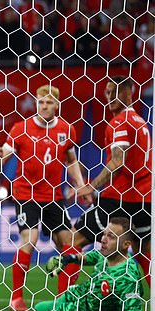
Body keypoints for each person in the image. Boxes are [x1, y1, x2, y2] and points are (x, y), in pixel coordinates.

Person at [0, 85, 90, 311]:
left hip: (53, 196)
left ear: (57, 105)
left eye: (49, 103)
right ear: (36, 103)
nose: (44, 106)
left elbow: (70, 160)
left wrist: (81, 185)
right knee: (30, 238)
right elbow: (1, 160)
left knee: (70, 244)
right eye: (41, 102)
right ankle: (16, 299)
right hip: (26, 194)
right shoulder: (20, 128)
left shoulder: (67, 129)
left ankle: (64, 299)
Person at [68, 76, 152, 288]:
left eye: (115, 91)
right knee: (144, 252)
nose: (110, 96)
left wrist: (91, 186)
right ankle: (152, 308)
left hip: (119, 200)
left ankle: (64, 301)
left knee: (73, 241)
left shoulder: (120, 122)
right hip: (145, 200)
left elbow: (118, 160)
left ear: (128, 93)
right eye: (107, 92)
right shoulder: (141, 123)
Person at [37, 218, 144, 311]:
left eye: (111, 236)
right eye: (104, 234)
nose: (103, 240)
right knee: (50, 304)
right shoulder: (106, 255)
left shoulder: (128, 277)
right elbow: (91, 256)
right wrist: (66, 258)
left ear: (125, 244)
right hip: (76, 294)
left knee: (39, 309)